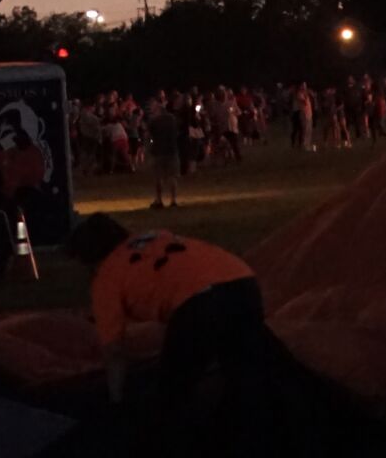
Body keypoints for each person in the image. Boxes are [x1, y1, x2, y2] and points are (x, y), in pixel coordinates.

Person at [67, 211, 276, 432]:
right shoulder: (156, 237)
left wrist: (116, 401)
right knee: (245, 381)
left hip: (199, 304)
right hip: (243, 282)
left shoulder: (107, 277)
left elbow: (114, 351)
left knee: (172, 396)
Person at [145, 96, 180, 209]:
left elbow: (149, 137)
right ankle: (173, 200)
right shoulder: (172, 119)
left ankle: (159, 200)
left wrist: (149, 148)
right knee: (172, 176)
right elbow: (176, 133)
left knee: (158, 177)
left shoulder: (154, 121)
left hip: (158, 151)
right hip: (172, 150)